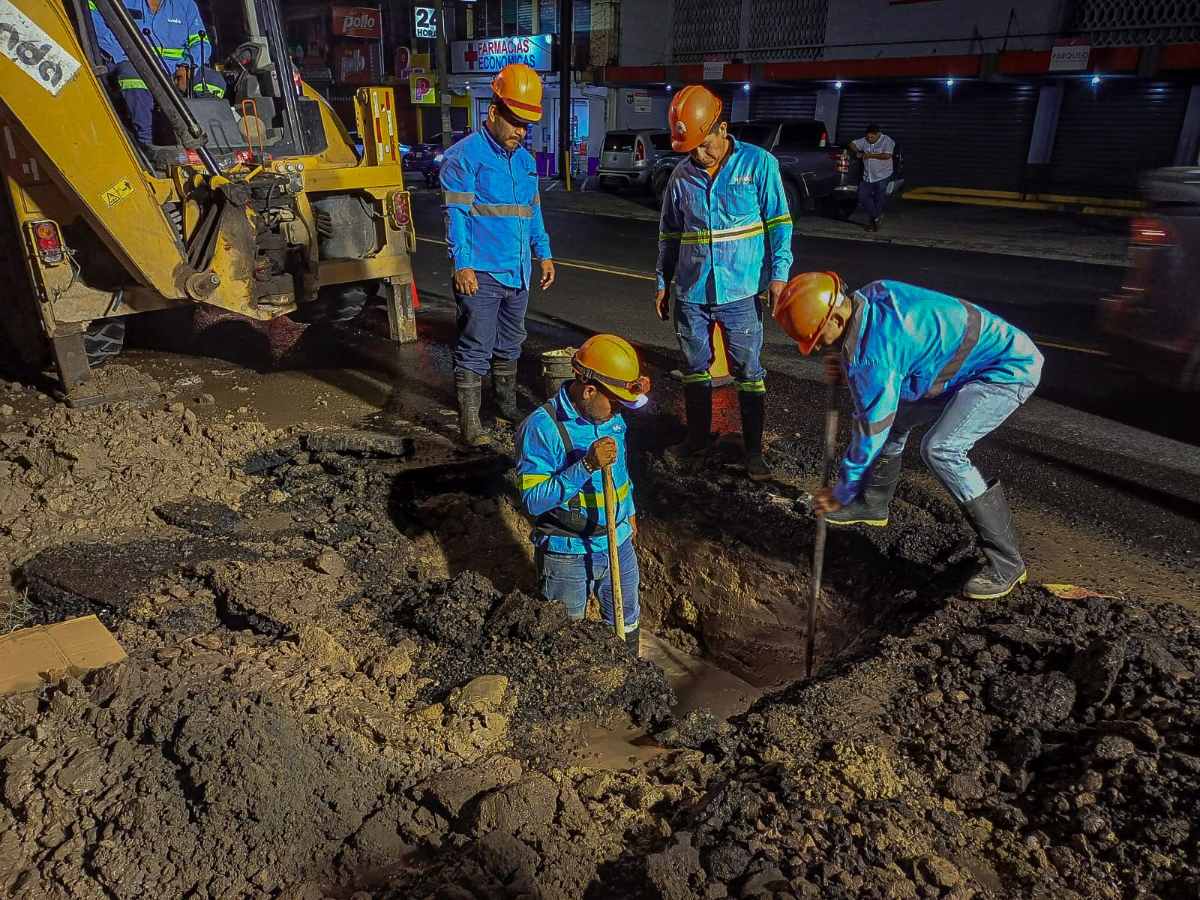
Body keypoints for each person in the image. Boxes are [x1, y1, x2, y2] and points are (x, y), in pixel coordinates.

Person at [772, 273, 1044, 600]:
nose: (818, 347)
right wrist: (847, 363)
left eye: (818, 338)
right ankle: (872, 505)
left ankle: (1007, 562)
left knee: (942, 449)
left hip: (1005, 370)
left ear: (837, 316)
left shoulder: (872, 357)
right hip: (964, 365)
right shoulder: (872, 295)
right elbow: (901, 358)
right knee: (896, 419)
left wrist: (841, 491)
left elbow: (871, 429)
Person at [655, 85, 793, 481]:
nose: (699, 155)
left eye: (705, 145)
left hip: (741, 292)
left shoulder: (759, 165)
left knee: (748, 371)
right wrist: (661, 284)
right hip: (691, 292)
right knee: (695, 367)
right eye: (692, 149)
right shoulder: (681, 177)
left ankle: (753, 453)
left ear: (723, 128)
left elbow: (779, 224)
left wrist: (779, 276)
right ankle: (696, 440)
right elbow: (669, 235)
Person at [440, 62, 555, 446]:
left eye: (527, 126)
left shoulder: (524, 161)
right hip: (483, 274)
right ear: (493, 113)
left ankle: (505, 406)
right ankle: (470, 425)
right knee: (476, 346)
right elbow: (456, 215)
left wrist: (545, 254)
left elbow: (532, 211)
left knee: (510, 343)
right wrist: (463, 264)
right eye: (516, 123)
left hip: (518, 273)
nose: (521, 133)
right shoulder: (465, 157)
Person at [515, 335, 649, 657]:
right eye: (615, 402)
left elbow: (621, 474)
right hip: (566, 553)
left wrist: (628, 512)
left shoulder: (611, 418)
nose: (619, 411)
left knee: (625, 622)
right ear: (589, 390)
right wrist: (586, 465)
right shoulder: (542, 428)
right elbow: (533, 500)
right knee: (565, 636)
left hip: (617, 541)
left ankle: (626, 679)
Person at [90, 0, 228, 147]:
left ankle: (207, 144)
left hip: (175, 69)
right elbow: (98, 26)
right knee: (133, 76)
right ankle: (146, 144)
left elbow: (201, 43)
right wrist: (130, 58)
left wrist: (188, 67)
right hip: (136, 65)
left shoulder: (186, 5)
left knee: (215, 82)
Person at [849, 124, 895, 232]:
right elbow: (852, 144)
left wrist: (870, 155)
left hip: (882, 175)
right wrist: (857, 151)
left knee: (878, 199)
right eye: (868, 137)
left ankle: (872, 223)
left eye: (872, 137)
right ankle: (876, 217)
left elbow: (887, 155)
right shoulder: (865, 140)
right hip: (867, 176)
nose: (869, 139)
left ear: (878, 134)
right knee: (862, 196)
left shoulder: (887, 140)